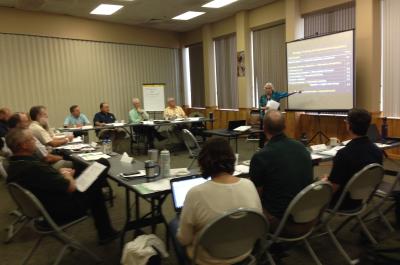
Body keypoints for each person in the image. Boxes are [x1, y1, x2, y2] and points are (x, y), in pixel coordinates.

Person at [5, 129, 119, 244]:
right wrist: (67, 175)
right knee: (102, 164)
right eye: (31, 139)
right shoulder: (32, 167)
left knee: (90, 179)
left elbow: (43, 180)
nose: (35, 141)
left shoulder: (15, 165)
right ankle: (105, 231)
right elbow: (70, 187)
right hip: (64, 209)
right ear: (23, 145)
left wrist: (58, 173)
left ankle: (105, 231)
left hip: (48, 205)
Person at [171, 137, 262, 265]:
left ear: (203, 162)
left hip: (208, 259)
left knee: (174, 223)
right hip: (244, 253)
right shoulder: (249, 184)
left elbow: (184, 240)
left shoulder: (195, 193)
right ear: (232, 160)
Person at [249, 110, 313, 234]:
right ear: (285, 127)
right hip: (306, 213)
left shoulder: (261, 156)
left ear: (264, 128)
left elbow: (256, 195)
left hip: (279, 219)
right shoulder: (301, 147)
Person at [323, 108, 383, 210]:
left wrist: (325, 182)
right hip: (363, 197)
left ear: (349, 126)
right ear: (368, 126)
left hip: (342, 202)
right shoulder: (377, 151)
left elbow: (333, 187)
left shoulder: (343, 154)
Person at [8, 112, 73, 169]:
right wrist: (64, 158)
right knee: (75, 162)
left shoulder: (9, 136)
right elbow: (47, 158)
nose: (29, 123)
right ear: (18, 124)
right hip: (41, 166)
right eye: (26, 121)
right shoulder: (25, 136)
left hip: (34, 166)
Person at [258, 83, 301, 148]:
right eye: (266, 88)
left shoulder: (276, 95)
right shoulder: (262, 97)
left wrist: (295, 92)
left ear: (272, 89)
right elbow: (259, 107)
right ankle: (261, 147)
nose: (267, 90)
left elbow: (286, 94)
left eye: (269, 88)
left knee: (275, 132)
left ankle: (276, 145)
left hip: (274, 117)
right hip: (265, 117)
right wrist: (264, 108)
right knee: (263, 132)